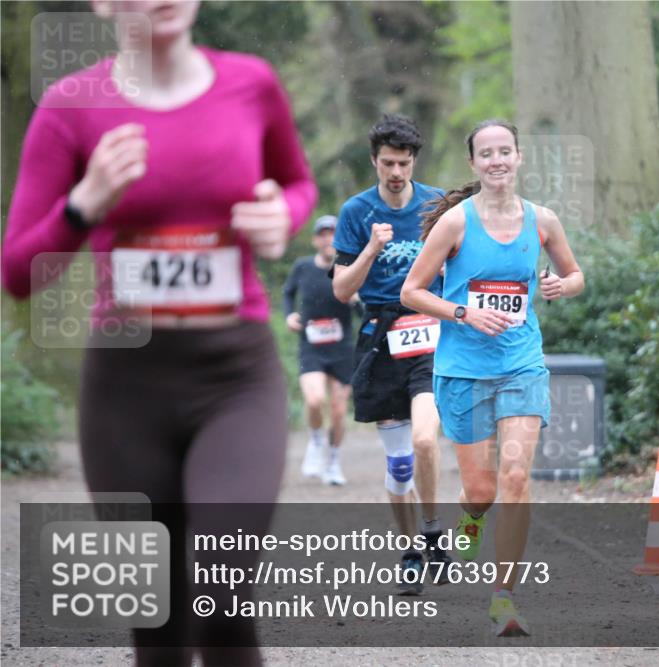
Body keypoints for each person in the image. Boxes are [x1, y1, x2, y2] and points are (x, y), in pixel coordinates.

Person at [1, 2, 316, 664]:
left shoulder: (252, 83)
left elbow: (297, 183)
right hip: (125, 391)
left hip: (236, 377)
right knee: (157, 618)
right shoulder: (70, 107)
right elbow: (18, 270)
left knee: (220, 593)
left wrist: (282, 216)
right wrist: (82, 206)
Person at [401, 119, 584, 636]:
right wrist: (463, 314)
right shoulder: (456, 224)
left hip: (521, 364)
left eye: (506, 151)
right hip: (463, 370)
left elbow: (576, 275)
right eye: (487, 153)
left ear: (519, 158)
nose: (497, 160)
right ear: (474, 164)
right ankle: (473, 517)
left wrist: (558, 287)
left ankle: (503, 598)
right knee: (481, 490)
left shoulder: (542, 220)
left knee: (516, 478)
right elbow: (412, 292)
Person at [332, 114, 451, 595]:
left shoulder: (438, 205)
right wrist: (371, 250)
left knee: (426, 440)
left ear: (414, 162)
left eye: (403, 163)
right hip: (381, 335)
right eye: (387, 163)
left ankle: (432, 528)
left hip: (430, 330)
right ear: (374, 162)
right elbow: (342, 290)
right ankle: (409, 553)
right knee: (400, 464)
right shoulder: (355, 212)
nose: (396, 172)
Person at [284, 215, 355, 485]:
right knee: (314, 400)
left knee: (338, 409)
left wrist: (358, 299)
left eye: (333, 234)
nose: (328, 239)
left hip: (341, 348)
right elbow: (288, 293)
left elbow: (363, 307)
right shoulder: (302, 267)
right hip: (311, 346)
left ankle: (334, 461)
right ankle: (315, 441)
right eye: (323, 234)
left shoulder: (349, 268)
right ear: (315, 239)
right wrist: (290, 315)